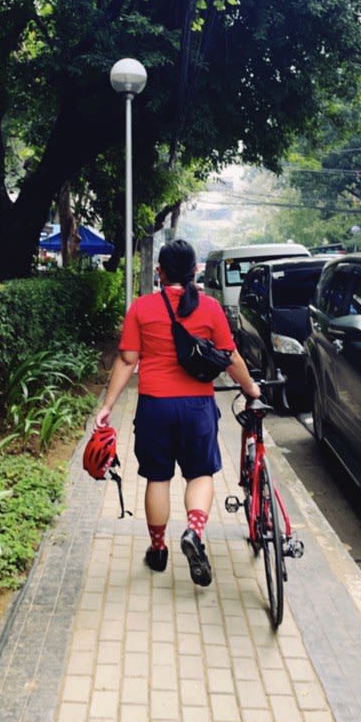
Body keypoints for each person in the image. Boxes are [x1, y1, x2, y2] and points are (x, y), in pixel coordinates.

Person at [94, 238, 261, 587]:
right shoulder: (211, 308)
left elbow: (127, 361)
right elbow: (230, 358)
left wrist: (107, 406)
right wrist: (251, 390)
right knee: (200, 474)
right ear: (195, 271)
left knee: (158, 479)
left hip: (155, 406)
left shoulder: (142, 308)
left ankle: (158, 551)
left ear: (159, 271)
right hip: (197, 407)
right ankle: (195, 532)